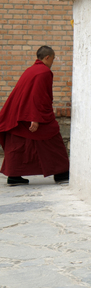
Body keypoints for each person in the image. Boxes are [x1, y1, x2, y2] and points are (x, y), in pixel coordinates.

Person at [0, 46, 69, 186]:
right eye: (53, 59)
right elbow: (39, 96)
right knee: (53, 138)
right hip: (30, 114)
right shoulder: (44, 72)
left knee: (18, 143)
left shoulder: (31, 70)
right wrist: (35, 118)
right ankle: (61, 173)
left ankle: (14, 176)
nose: (53, 62)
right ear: (47, 57)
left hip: (20, 113)